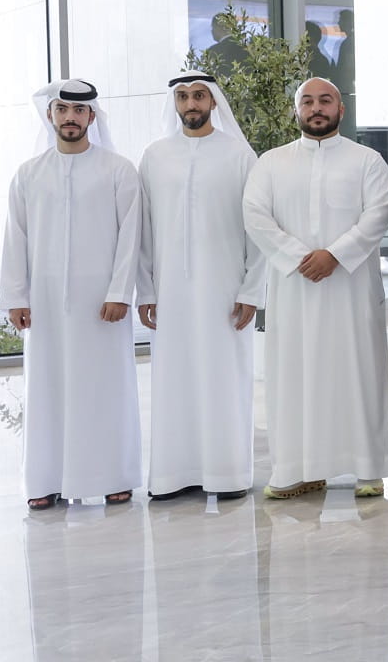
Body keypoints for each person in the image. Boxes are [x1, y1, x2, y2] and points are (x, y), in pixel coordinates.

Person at [242, 78, 388, 499]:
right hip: (295, 290)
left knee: (358, 373)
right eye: (307, 102)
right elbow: (255, 215)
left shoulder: (367, 161)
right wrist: (298, 257)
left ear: (340, 109)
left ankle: (368, 468)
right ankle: (297, 469)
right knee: (294, 376)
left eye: (324, 100)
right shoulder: (271, 163)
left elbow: (379, 212)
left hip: (351, 288)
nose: (316, 108)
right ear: (296, 111)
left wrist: (335, 254)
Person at [3, 80, 143, 510]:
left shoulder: (118, 170)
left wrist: (121, 291)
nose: (69, 118)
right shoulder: (29, 173)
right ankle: (45, 480)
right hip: (45, 304)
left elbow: (130, 237)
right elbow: (16, 239)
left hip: (102, 305)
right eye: (62, 110)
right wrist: (16, 298)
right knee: (48, 389)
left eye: (78, 111)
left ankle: (113, 475)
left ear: (91, 117)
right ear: (51, 116)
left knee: (105, 388)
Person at [135, 72, 262, 502]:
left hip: (224, 289)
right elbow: (145, 230)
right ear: (175, 104)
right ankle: (172, 475)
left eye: (199, 96)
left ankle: (228, 475)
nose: (191, 103)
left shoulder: (239, 155)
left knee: (225, 377)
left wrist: (251, 291)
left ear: (213, 102)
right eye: (184, 97)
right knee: (173, 379)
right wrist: (146, 290)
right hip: (170, 290)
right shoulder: (155, 156)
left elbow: (256, 230)